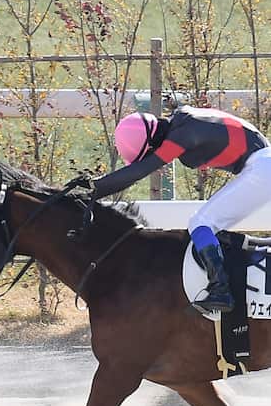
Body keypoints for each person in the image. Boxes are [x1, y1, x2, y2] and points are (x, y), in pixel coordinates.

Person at [85, 106, 271, 313]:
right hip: (261, 164)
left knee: (201, 223)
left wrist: (90, 191)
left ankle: (221, 289)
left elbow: (139, 171)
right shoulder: (182, 122)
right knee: (205, 223)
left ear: (152, 142)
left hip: (261, 167)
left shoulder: (181, 136)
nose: (155, 156)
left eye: (151, 152)